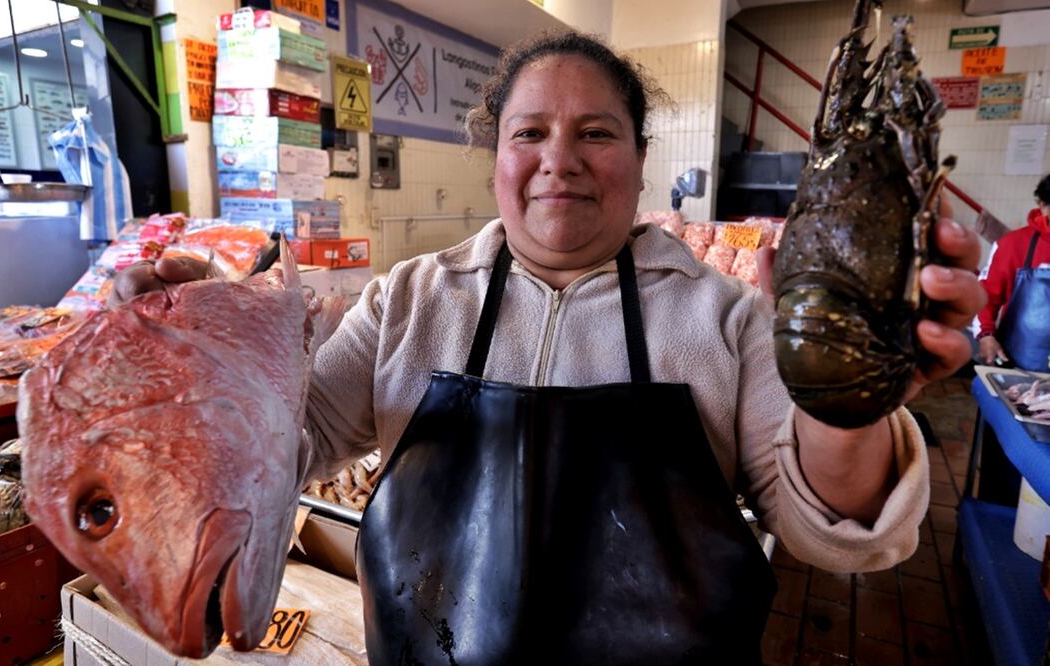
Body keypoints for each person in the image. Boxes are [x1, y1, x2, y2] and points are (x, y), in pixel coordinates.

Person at [112, 31, 983, 665]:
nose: (558, 160)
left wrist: (850, 402)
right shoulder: (407, 302)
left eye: (595, 133)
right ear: (493, 154)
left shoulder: (725, 318)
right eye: (528, 133)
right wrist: (199, 363)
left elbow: (833, 535)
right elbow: (280, 451)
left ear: (639, 156)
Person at [974, 174, 1050, 370]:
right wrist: (986, 335)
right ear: (1043, 206)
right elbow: (984, 297)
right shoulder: (1013, 245)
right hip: (1020, 364)